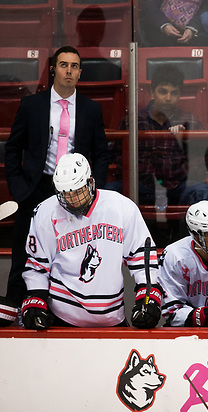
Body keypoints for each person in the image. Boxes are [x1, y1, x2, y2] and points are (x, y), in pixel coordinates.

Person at [4, 46, 110, 307]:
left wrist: (91, 192)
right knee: (24, 252)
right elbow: (13, 147)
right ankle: (15, 311)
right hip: (35, 187)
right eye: (64, 65)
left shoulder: (90, 109)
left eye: (74, 66)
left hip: (75, 194)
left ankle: (66, 310)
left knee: (72, 252)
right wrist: (19, 188)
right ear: (53, 69)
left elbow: (102, 154)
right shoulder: (32, 105)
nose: (69, 71)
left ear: (80, 72)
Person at [21, 153, 162, 329]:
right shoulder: (45, 212)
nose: (72, 199)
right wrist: (36, 299)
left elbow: (142, 257)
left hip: (111, 317)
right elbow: (38, 265)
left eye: (78, 191)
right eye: (65, 194)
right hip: (62, 317)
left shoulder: (121, 207)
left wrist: (148, 297)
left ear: (90, 182)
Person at [112, 64, 200, 206]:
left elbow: (198, 162)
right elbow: (118, 156)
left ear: (179, 95)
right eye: (163, 92)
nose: (168, 98)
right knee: (110, 191)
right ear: (152, 92)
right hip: (142, 187)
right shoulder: (134, 120)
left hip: (177, 187)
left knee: (201, 191)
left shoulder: (190, 121)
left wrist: (182, 141)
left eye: (174, 93)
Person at [140, 0, 208, 46]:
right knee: (159, 41)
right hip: (162, 27)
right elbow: (150, 6)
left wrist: (192, 28)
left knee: (203, 42)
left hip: (193, 28)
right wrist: (164, 24)